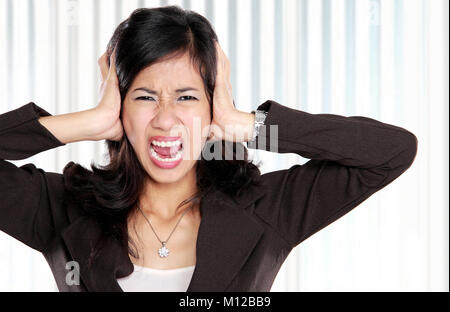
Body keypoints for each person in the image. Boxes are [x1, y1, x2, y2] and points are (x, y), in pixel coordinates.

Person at [0, 6, 418, 292]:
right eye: (145, 97)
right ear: (120, 107)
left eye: (186, 98)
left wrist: (247, 124)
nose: (166, 120)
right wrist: (83, 123)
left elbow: (391, 151)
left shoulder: (267, 209)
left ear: (212, 104)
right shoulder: (59, 208)